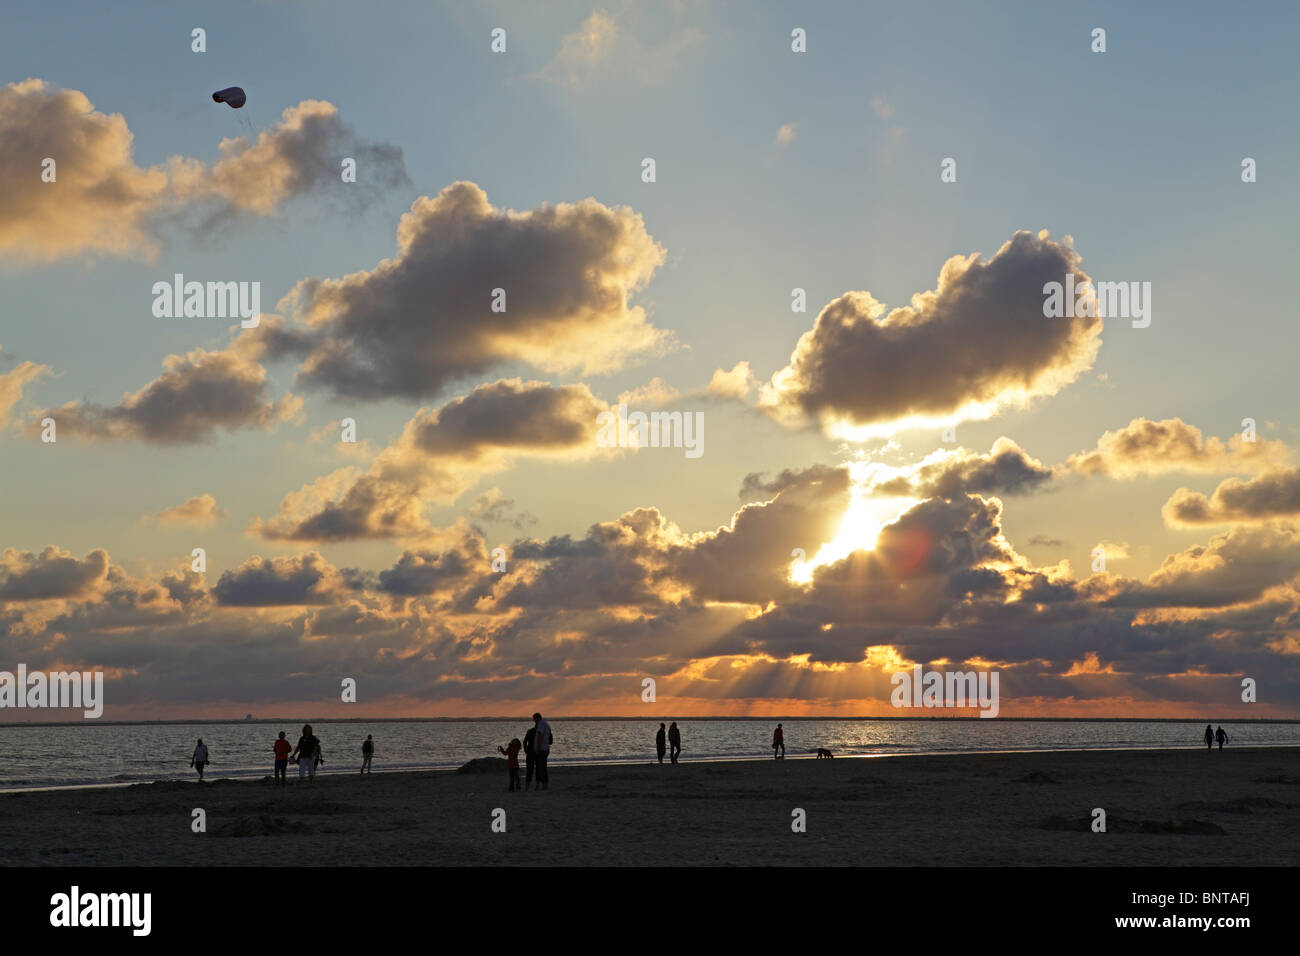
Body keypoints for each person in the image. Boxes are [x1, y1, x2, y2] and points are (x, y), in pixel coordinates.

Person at [533, 713, 553, 790]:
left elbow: (540, 736)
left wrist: (538, 747)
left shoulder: (541, 724)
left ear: (537, 718)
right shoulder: (545, 724)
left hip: (542, 749)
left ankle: (544, 784)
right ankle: (543, 783)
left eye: (534, 720)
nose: (534, 721)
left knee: (541, 767)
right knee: (542, 766)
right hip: (545, 748)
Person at [523, 724, 538, 791]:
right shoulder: (530, 731)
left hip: (536, 752)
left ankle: (534, 787)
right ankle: (527, 787)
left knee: (532, 770)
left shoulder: (539, 731)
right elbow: (524, 742)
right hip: (531, 753)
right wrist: (526, 750)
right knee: (530, 770)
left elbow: (524, 742)